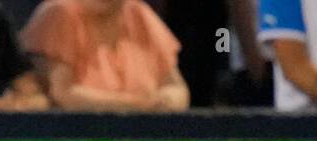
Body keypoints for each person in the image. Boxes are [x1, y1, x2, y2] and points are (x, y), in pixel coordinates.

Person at [21, 0, 190, 110]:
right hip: (78, 139)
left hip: (146, 138)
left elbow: (177, 88)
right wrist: (139, 105)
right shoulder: (59, 12)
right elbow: (63, 95)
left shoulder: (139, 13)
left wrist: (167, 101)